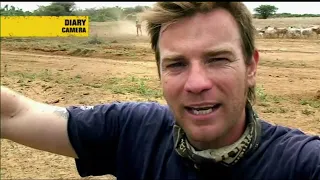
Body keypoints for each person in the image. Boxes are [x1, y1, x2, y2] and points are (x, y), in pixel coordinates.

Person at [1, 2, 319, 180]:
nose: (196, 83)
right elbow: (14, 113)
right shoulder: (132, 131)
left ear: (251, 67)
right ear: (160, 73)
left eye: (218, 59)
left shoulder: (299, 163)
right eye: (176, 64)